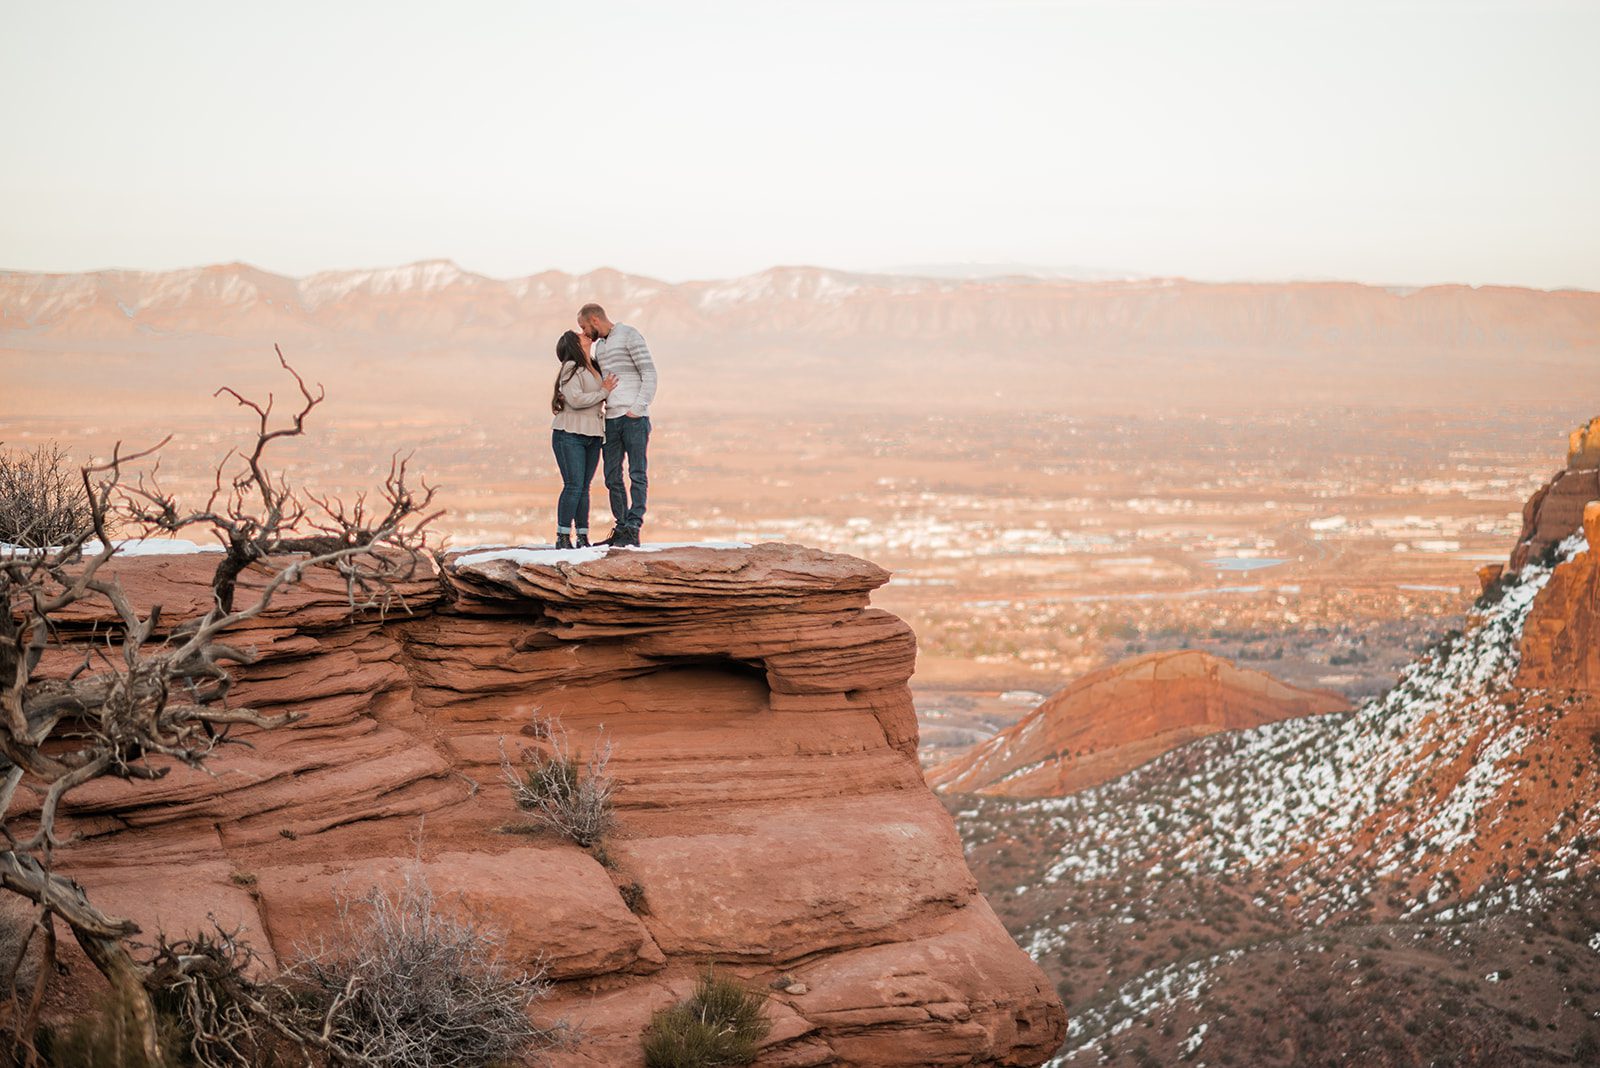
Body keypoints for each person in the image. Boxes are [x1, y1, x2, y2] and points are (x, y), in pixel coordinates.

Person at [578, 302, 657, 547]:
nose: (583, 331)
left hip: (633, 418)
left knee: (637, 473)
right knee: (611, 476)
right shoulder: (600, 346)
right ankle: (621, 526)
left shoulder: (629, 335)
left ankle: (634, 526)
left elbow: (649, 372)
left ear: (594, 319)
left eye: (583, 326)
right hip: (611, 419)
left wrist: (638, 408)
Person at [550, 329, 618, 549]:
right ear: (574, 344)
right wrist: (604, 392)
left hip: (592, 434)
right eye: (579, 334)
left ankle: (582, 536)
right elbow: (576, 400)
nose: (585, 334)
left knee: (584, 487)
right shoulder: (571, 367)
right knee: (573, 486)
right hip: (570, 433)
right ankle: (562, 537)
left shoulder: (594, 366)